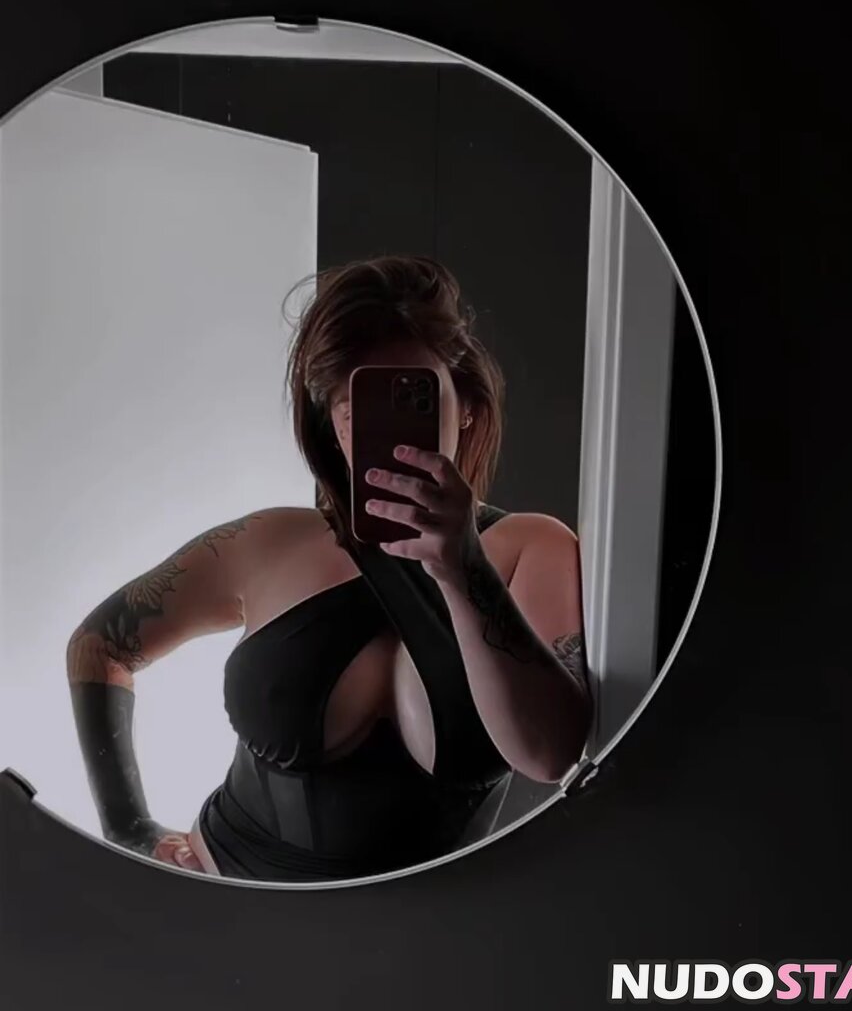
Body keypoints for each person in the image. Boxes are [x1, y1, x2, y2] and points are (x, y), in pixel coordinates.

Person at [66, 255, 592, 882]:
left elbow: (549, 755)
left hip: (425, 933)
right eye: (352, 403)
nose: (383, 429)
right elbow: (99, 646)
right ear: (330, 421)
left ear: (467, 404)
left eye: (412, 395)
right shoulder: (266, 542)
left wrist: (461, 567)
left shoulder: (535, 549)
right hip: (219, 909)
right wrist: (127, 825)